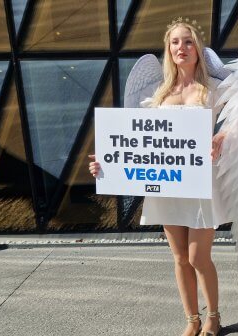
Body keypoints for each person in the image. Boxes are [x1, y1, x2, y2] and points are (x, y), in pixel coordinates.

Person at [89, 20, 227, 336]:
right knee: (180, 258)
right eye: (176, 42)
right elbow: (140, 142)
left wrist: (223, 138)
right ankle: (192, 319)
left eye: (188, 42)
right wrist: (108, 165)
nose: (182, 48)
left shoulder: (214, 89)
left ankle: (214, 315)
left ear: (198, 49)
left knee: (198, 256)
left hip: (201, 183)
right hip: (167, 185)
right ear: (169, 49)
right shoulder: (158, 94)